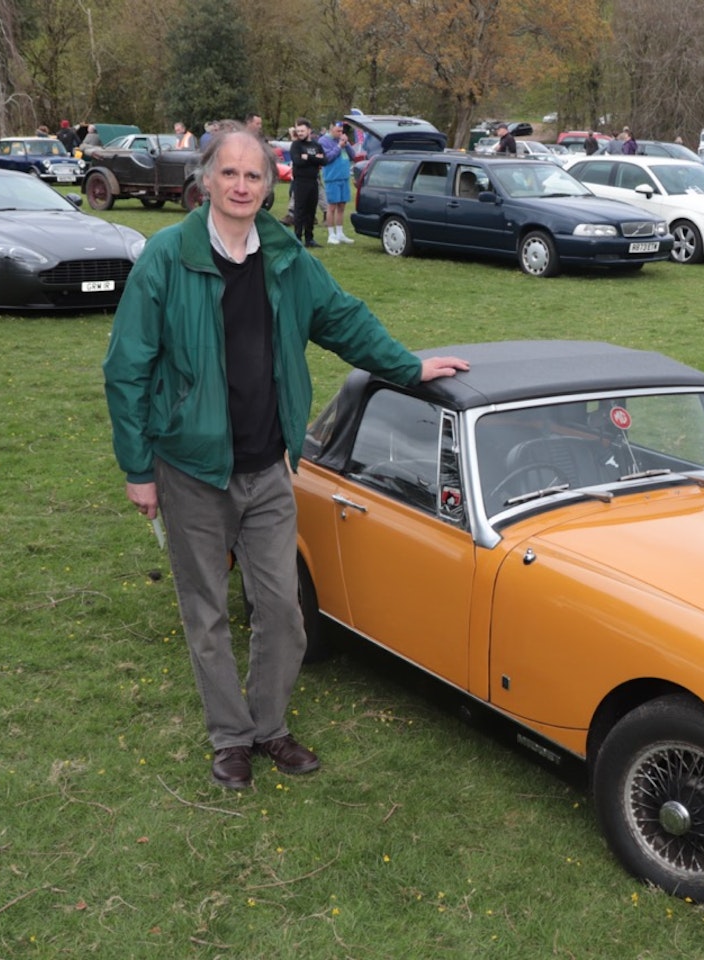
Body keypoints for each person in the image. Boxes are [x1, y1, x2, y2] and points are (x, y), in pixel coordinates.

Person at [102, 124, 469, 790]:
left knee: (283, 610)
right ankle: (230, 738)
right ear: (206, 180)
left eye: (254, 176)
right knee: (206, 610)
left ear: (269, 187)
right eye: (230, 173)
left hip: (268, 466)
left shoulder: (286, 259)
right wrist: (138, 469)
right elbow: (126, 367)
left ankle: (269, 726)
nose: (242, 185)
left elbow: (343, 319)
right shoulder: (165, 258)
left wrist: (408, 367)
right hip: (189, 469)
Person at [288, 118, 326, 248]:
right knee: (299, 211)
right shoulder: (296, 145)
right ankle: (297, 238)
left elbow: (324, 161)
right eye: (298, 131)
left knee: (311, 211)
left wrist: (308, 157)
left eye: (302, 130)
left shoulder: (316, 145)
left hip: (313, 181)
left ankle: (309, 238)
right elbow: (298, 161)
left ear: (309, 130)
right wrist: (315, 159)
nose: (300, 133)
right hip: (300, 182)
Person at [320, 121, 353, 245]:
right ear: (331, 129)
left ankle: (340, 233)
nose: (340, 133)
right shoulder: (323, 141)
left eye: (341, 131)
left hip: (344, 177)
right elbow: (327, 158)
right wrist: (339, 146)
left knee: (342, 207)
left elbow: (353, 155)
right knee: (332, 207)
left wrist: (347, 144)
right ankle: (331, 234)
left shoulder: (343, 140)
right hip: (332, 178)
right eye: (337, 131)